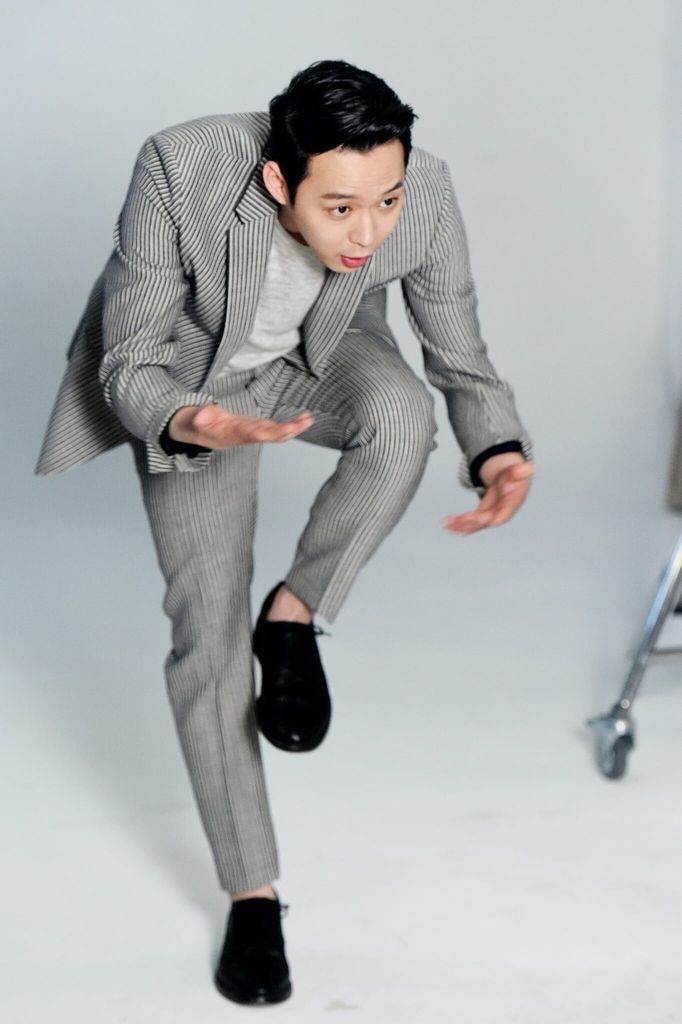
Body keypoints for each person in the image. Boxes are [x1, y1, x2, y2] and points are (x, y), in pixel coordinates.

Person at [35, 58, 536, 1004]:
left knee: (403, 418)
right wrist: (191, 421)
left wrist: (498, 446)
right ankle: (252, 893)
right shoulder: (178, 168)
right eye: (340, 208)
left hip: (321, 356)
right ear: (278, 179)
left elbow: (455, 342)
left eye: (385, 201)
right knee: (208, 637)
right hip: (192, 383)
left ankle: (296, 613)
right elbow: (130, 358)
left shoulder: (420, 192)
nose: (370, 231)